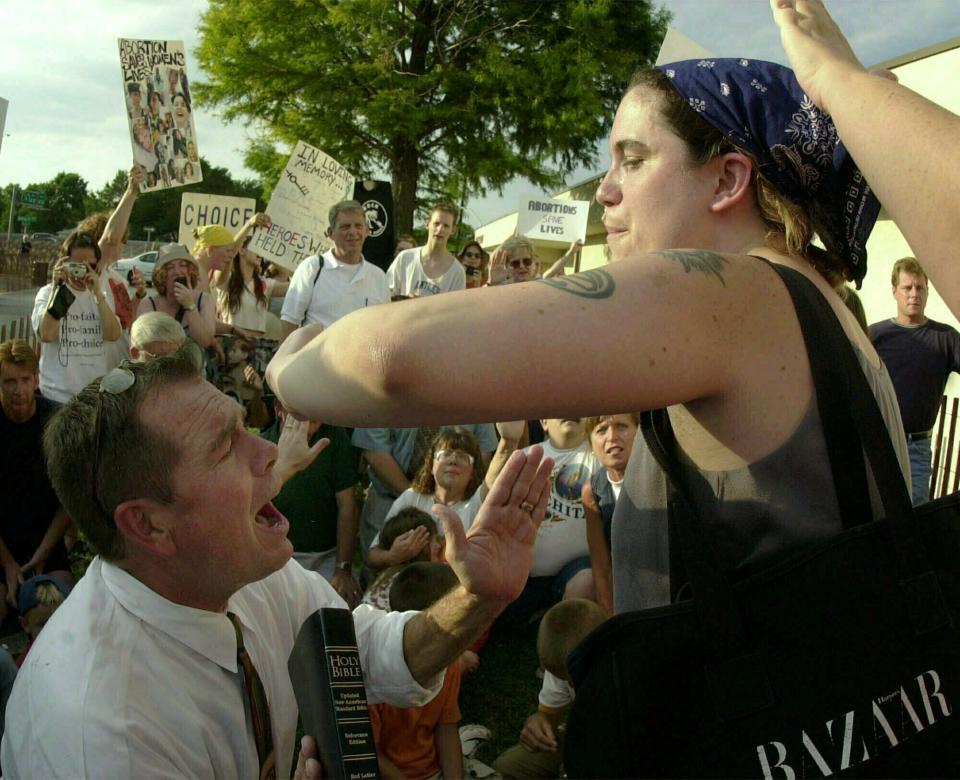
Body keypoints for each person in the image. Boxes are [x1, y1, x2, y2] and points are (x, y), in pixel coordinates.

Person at [266, 2, 914, 620]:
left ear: (726, 180)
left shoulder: (732, 290)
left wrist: (289, 366)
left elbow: (387, 361)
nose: (605, 191)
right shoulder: (811, 300)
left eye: (633, 160)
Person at [0, 349, 554, 779]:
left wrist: (476, 598)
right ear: (148, 525)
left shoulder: (245, 572)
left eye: (245, 425)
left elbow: (361, 651)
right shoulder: (103, 737)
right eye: (225, 446)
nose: (268, 454)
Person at [869, 257, 960, 505]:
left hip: (917, 449)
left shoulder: (946, 338)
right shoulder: (875, 335)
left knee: (915, 514)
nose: (913, 294)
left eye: (920, 288)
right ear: (894, 291)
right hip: (880, 443)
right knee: (876, 513)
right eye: (907, 288)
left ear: (928, 292)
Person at [260, 398, 362, 606]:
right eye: (299, 407)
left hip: (327, 556)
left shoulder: (334, 439)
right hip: (280, 558)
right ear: (279, 410)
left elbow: (347, 506)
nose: (310, 413)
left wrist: (343, 568)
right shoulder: (263, 446)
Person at [491, 599, 607, 780]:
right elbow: (548, 715)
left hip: (622, 749)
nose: (569, 685)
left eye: (573, 679)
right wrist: (538, 724)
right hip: (580, 739)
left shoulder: (626, 673)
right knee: (506, 767)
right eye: (560, 678)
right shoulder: (563, 662)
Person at [0, 340, 74, 622]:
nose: (18, 390)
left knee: (58, 608)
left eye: (24, 380)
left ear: (36, 379)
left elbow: (69, 496)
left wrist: (43, 553)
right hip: (4, 541)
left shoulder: (57, 420)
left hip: (45, 537)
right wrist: (8, 564)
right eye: (8, 382)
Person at [370, 562, 464, 780]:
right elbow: (368, 750)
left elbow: (446, 727)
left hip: (432, 771)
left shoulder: (450, 662)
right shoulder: (373, 672)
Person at [352, 423, 498, 555]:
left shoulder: (476, 396)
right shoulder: (411, 497)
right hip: (386, 499)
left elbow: (482, 457)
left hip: (461, 503)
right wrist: (418, 496)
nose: (453, 460)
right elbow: (373, 449)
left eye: (460, 456)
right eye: (446, 455)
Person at [31, 232, 122, 403]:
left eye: (90, 266)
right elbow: (47, 335)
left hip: (91, 398)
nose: (82, 272)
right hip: (55, 396)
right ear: (63, 264)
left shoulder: (100, 295)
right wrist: (58, 289)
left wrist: (97, 295)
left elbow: (113, 335)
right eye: (76, 266)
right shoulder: (48, 293)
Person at [280, 200, 390, 336]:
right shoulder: (312, 268)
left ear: (366, 231)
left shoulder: (378, 277)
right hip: (317, 356)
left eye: (358, 226)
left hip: (362, 357)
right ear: (331, 233)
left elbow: (384, 327)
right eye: (345, 226)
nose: (352, 232)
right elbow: (289, 320)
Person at [581, 413, 639, 616]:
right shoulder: (592, 491)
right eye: (601, 430)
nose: (612, 437)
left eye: (621, 426)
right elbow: (601, 567)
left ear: (639, 432)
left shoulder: (665, 475)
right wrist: (612, 620)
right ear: (591, 444)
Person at [135, 243, 215, 348]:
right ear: (161, 275)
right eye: (170, 267)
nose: (177, 272)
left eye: (182, 265)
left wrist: (190, 305)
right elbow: (139, 345)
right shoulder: (148, 305)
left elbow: (206, 342)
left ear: (189, 271)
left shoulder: (205, 300)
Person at [215, 234, 289, 338]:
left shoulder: (264, 284)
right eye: (256, 247)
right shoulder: (228, 279)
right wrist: (249, 225)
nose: (260, 253)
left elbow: (295, 285)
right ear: (241, 250)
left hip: (258, 348)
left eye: (261, 249)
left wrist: (271, 255)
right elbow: (230, 255)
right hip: (233, 345)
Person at [386, 204, 465, 298]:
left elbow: (456, 310)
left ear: (453, 230)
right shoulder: (405, 258)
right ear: (427, 224)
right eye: (436, 224)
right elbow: (385, 295)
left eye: (446, 226)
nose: (440, 229)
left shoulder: (457, 272)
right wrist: (404, 300)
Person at [15, 575, 70, 668]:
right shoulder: (25, 668)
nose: (53, 631)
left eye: (61, 621)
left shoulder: (84, 648)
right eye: (44, 624)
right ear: (25, 624)